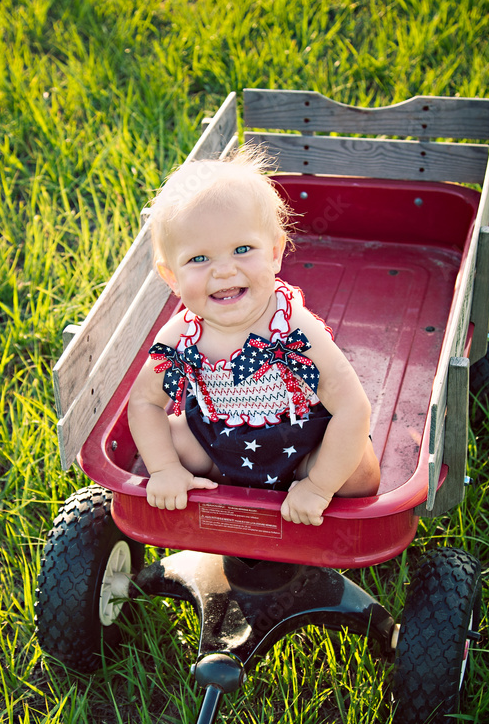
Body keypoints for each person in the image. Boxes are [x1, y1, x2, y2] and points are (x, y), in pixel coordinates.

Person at [127, 147, 380, 526]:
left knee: (360, 476)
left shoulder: (293, 328)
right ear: (171, 277)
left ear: (276, 252)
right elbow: (145, 402)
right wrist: (164, 469)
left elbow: (352, 407)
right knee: (166, 443)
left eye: (242, 250)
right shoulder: (182, 335)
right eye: (199, 259)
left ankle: (300, 490)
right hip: (217, 441)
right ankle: (217, 483)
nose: (224, 271)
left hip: (301, 442)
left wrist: (319, 485)